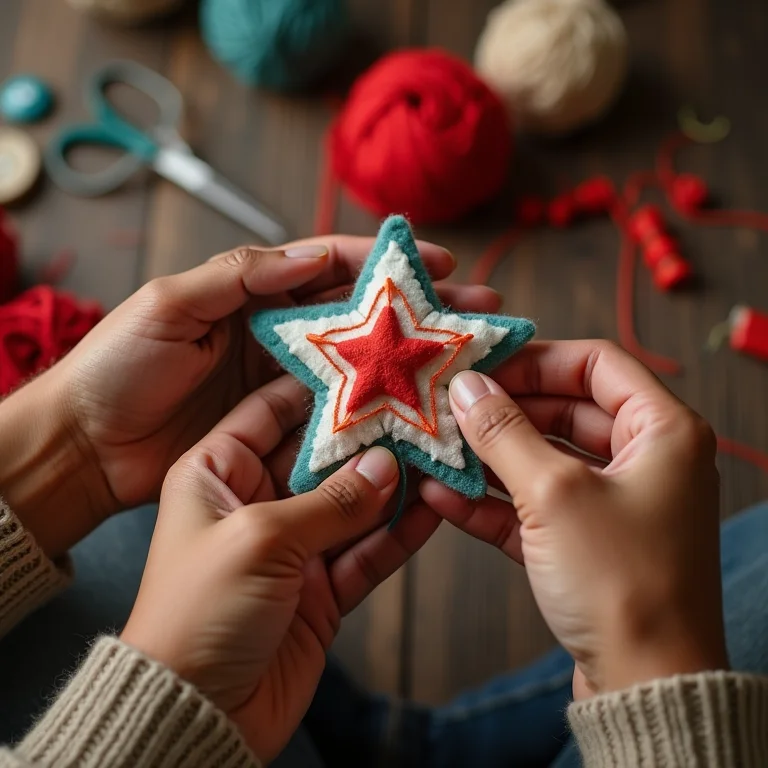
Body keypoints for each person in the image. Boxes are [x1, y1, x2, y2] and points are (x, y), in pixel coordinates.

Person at [0, 238, 765, 767]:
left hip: (248, 715)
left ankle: (400, 741)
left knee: (148, 510)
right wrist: (659, 663)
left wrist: (69, 453)